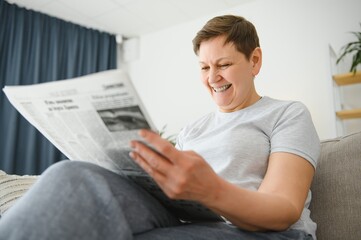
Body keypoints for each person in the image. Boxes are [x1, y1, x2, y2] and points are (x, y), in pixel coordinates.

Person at [0, 15, 320, 240]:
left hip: (270, 234)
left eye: (223, 65)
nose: (212, 77)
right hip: (190, 222)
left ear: (254, 61)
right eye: (205, 67)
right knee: (72, 173)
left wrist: (210, 190)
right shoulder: (192, 130)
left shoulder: (286, 113)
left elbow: (284, 210)